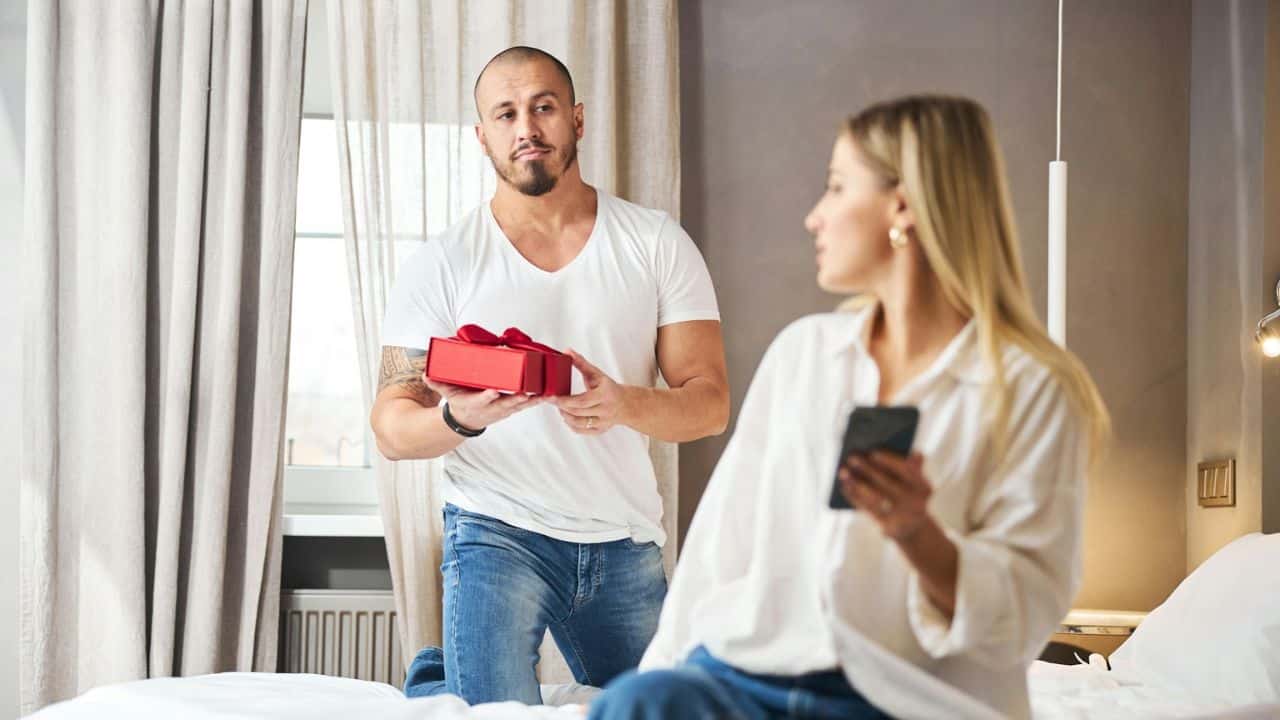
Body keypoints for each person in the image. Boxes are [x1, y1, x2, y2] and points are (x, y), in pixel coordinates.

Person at [589, 95, 1111, 720]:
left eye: (836, 189)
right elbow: (720, 550)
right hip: (750, 673)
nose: (815, 217)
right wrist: (651, 688)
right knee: (636, 704)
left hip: (906, 697)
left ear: (903, 206)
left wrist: (920, 536)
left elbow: (1026, 613)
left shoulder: (1033, 389)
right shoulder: (804, 355)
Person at [369, 46, 730, 705]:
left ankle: (434, 679)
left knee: (661, 712)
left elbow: (708, 406)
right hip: (494, 532)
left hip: (620, 536)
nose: (526, 128)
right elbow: (392, 427)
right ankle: (446, 679)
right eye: (504, 114)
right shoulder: (444, 261)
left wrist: (623, 403)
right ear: (482, 136)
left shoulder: (655, 242)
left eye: (543, 107)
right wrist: (459, 418)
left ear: (578, 119)